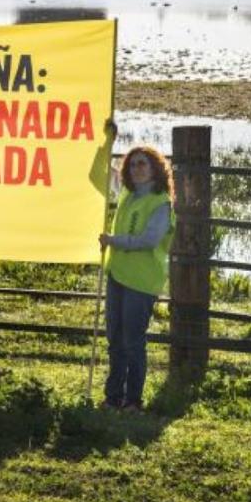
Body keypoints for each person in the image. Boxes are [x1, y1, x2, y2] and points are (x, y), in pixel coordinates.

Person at [98, 145, 175, 411]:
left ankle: (133, 400)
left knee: (132, 340)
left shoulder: (161, 203)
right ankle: (113, 397)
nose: (137, 169)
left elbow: (149, 240)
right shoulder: (128, 195)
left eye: (143, 164)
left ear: (155, 168)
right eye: (132, 165)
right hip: (118, 275)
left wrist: (113, 241)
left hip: (141, 281)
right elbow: (102, 175)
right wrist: (107, 142)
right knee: (115, 339)